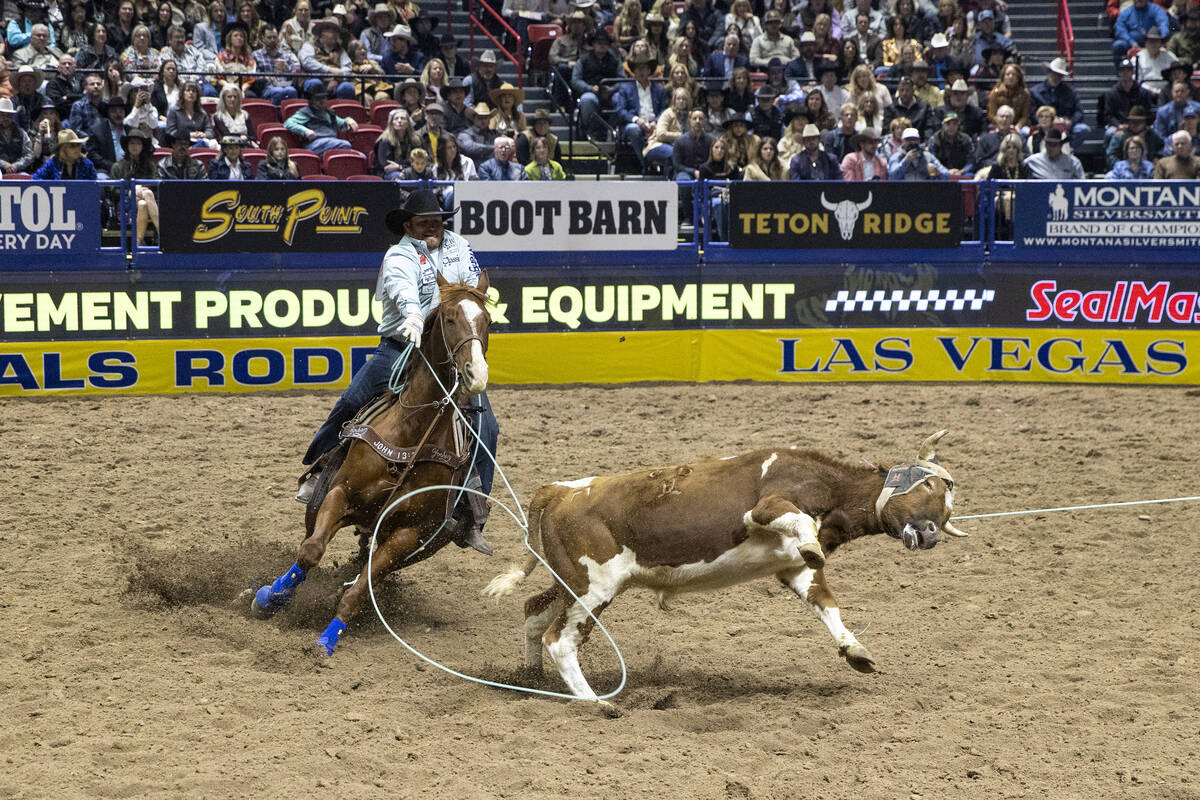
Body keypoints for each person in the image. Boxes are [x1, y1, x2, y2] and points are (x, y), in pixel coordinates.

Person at [296, 190, 498, 555]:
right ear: (408, 226)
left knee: (487, 428)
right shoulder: (399, 254)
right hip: (402, 345)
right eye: (424, 223)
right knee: (354, 399)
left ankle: (472, 512)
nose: (433, 227)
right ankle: (320, 469)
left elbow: (471, 284)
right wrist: (415, 316)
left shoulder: (458, 246)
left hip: (450, 351)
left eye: (437, 221)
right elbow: (402, 289)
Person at [613, 52, 668, 169]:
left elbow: (664, 109)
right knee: (633, 129)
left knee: (665, 130)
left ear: (649, 70)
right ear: (634, 71)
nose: (641, 72)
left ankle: (663, 166)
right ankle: (646, 164)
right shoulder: (625, 89)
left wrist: (656, 122)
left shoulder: (659, 89)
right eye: (638, 69)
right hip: (635, 125)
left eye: (644, 69)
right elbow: (620, 110)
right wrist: (636, 120)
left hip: (655, 125)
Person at [110, 129, 159, 244]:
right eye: (132, 143)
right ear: (127, 146)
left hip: (147, 203)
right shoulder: (118, 166)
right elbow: (113, 190)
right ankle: (162, 231)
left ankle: (138, 241)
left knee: (143, 202)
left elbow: (156, 186)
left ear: (143, 146)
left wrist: (141, 189)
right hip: (125, 204)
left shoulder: (150, 166)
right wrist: (129, 191)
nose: (135, 146)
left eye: (138, 143)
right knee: (146, 194)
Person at [1029, 58, 1090, 151]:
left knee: (1083, 129)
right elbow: (1031, 113)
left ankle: (1068, 150)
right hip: (1042, 127)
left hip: (1065, 128)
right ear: (1048, 73)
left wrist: (1070, 122)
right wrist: (1045, 122)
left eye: (1059, 75)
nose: (1056, 77)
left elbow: (1079, 112)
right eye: (1054, 73)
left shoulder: (1070, 92)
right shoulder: (1035, 92)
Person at [572, 29, 622, 141]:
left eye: (605, 43)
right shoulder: (583, 60)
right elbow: (575, 80)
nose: (602, 45)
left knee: (620, 99)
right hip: (591, 91)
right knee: (587, 100)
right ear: (593, 44)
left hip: (611, 92)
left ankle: (612, 129)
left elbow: (622, 80)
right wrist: (589, 88)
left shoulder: (615, 60)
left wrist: (613, 89)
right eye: (599, 43)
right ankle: (590, 131)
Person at [285, 79, 358, 156]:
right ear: (311, 100)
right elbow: (288, 123)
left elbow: (341, 122)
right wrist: (305, 131)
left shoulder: (329, 113)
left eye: (323, 98)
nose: (321, 101)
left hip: (332, 143)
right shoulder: (305, 112)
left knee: (360, 156)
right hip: (315, 145)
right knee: (345, 144)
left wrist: (348, 120)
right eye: (317, 99)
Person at [1099, 58, 1156, 137]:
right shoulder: (1111, 93)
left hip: (1140, 124)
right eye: (1122, 70)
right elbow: (1108, 115)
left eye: (1128, 70)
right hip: (1119, 125)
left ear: (1133, 72)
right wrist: (1118, 125)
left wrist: (1142, 124)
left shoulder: (1143, 93)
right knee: (1109, 133)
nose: (1125, 73)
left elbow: (1149, 111)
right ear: (1119, 72)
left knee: (1153, 133)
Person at [1113, 0, 1170, 69]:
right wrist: (1132, 42)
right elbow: (1120, 29)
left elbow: (1163, 24)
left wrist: (1162, 40)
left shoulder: (1156, 9)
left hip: (1152, 40)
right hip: (1132, 43)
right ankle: (1121, 74)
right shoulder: (1127, 12)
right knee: (1118, 45)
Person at [86, 95, 128, 178]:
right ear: (108, 113)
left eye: (121, 111)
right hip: (106, 170)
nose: (118, 114)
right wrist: (111, 165)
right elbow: (92, 154)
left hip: (128, 170)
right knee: (101, 179)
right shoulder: (97, 130)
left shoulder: (130, 129)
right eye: (114, 111)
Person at [375, 107, 422, 178]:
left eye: (403, 118)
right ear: (391, 123)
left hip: (410, 170)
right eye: (396, 119)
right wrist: (404, 167)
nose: (399, 121)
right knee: (399, 176)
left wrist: (400, 166)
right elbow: (386, 166)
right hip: (387, 173)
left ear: (408, 123)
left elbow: (419, 160)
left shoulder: (415, 139)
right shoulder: (384, 140)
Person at [33, 128, 98, 179]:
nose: (77, 148)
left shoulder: (87, 164)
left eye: (78, 145)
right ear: (63, 149)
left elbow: (94, 185)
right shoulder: (52, 163)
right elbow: (36, 178)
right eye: (72, 146)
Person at [0, 98, 36, 175]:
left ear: (12, 116)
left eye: (8, 116)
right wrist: (3, 164)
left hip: (17, 171)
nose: (5, 118)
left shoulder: (21, 133)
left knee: (25, 176)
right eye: (2, 115)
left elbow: (29, 155)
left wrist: (15, 165)